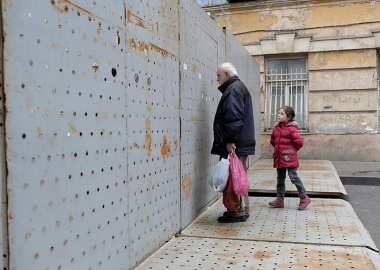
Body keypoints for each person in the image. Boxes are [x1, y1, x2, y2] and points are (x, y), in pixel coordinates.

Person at [211, 62, 256, 223]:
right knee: (239, 177)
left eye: (218, 75)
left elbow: (233, 118)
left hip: (235, 144)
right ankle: (241, 209)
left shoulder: (233, 90)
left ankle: (236, 211)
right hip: (241, 143)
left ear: (226, 74)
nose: (217, 79)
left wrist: (229, 141)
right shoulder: (238, 87)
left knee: (232, 178)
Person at [269, 106, 311, 210]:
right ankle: (279, 199)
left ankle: (304, 197)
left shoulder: (292, 129)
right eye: (278, 113)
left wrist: (291, 151)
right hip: (279, 157)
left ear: (289, 117)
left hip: (289, 158)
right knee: (280, 179)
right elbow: (272, 141)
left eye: (282, 114)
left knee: (293, 177)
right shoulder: (276, 129)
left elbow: (299, 143)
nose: (279, 115)